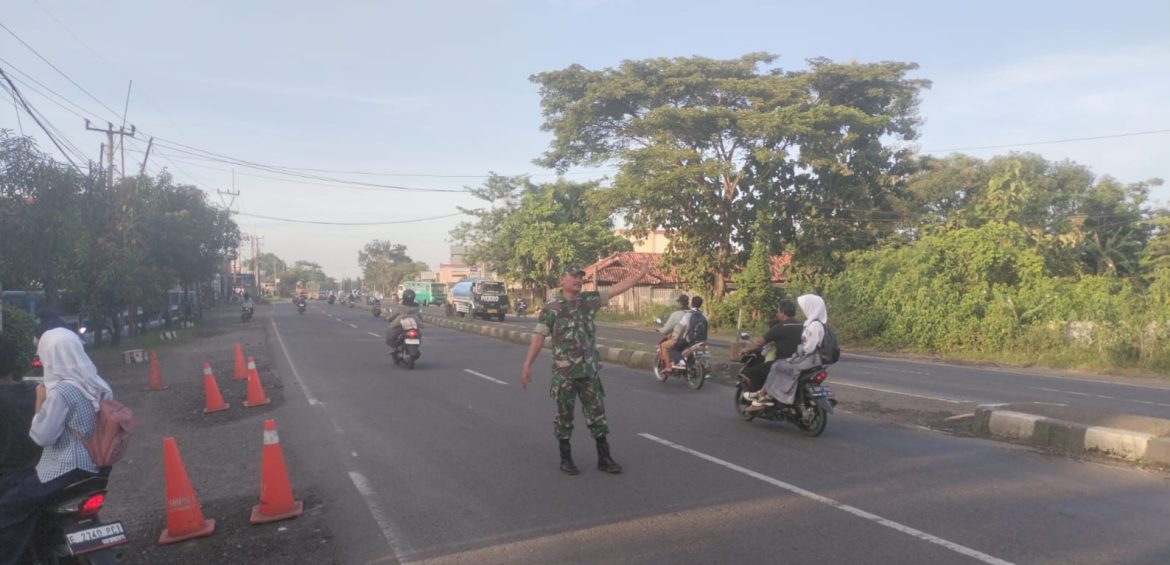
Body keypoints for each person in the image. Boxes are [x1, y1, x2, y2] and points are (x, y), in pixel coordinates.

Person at [521, 261, 650, 476]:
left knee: (598, 415)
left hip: (589, 372)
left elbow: (617, 289)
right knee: (564, 417)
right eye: (574, 276)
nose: (579, 280)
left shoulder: (589, 301)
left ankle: (604, 457)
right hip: (565, 375)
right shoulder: (551, 308)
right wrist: (527, 365)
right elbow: (539, 336)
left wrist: (639, 276)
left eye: (581, 277)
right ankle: (566, 458)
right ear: (562, 280)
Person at [0, 327, 113, 564]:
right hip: (88, 471)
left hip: (44, 474)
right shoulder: (91, 385)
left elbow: (42, 435)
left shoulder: (58, 393)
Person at [749, 294, 827, 411]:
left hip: (808, 359)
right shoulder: (806, 324)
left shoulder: (814, 325)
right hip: (811, 360)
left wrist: (799, 352)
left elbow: (810, 347)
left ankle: (765, 396)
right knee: (778, 366)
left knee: (775, 366)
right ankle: (767, 394)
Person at [740, 299, 803, 396]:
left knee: (752, 372)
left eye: (778, 311)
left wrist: (746, 349)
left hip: (782, 363)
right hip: (800, 362)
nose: (777, 314)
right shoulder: (802, 326)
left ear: (782, 312)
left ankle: (760, 397)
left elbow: (759, 343)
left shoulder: (781, 327)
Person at [670, 296, 708, 370]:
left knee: (674, 349)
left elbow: (681, 328)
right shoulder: (704, 316)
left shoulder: (688, 315)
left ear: (691, 303)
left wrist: (677, 337)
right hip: (702, 340)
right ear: (700, 304)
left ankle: (681, 362)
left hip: (690, 340)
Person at [656, 294, 690, 368]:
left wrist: (659, 330)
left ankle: (668, 367)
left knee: (663, 346)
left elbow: (666, 328)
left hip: (679, 338)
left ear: (680, 304)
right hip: (691, 339)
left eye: (678, 302)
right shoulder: (691, 313)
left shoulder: (676, 314)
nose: (677, 304)